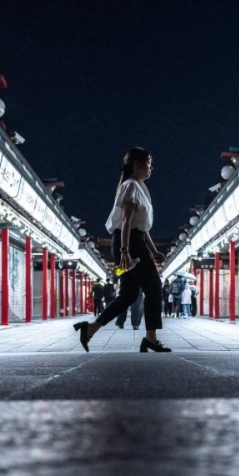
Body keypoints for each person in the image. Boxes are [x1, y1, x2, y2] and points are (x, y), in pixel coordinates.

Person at [74, 147, 170, 353]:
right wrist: (125, 251)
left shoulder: (139, 187)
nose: (151, 167)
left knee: (128, 295)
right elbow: (127, 222)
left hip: (134, 242)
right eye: (149, 163)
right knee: (153, 287)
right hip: (130, 244)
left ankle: (90, 328)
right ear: (137, 164)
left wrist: (153, 251)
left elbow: (141, 227)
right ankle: (151, 338)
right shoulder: (131, 186)